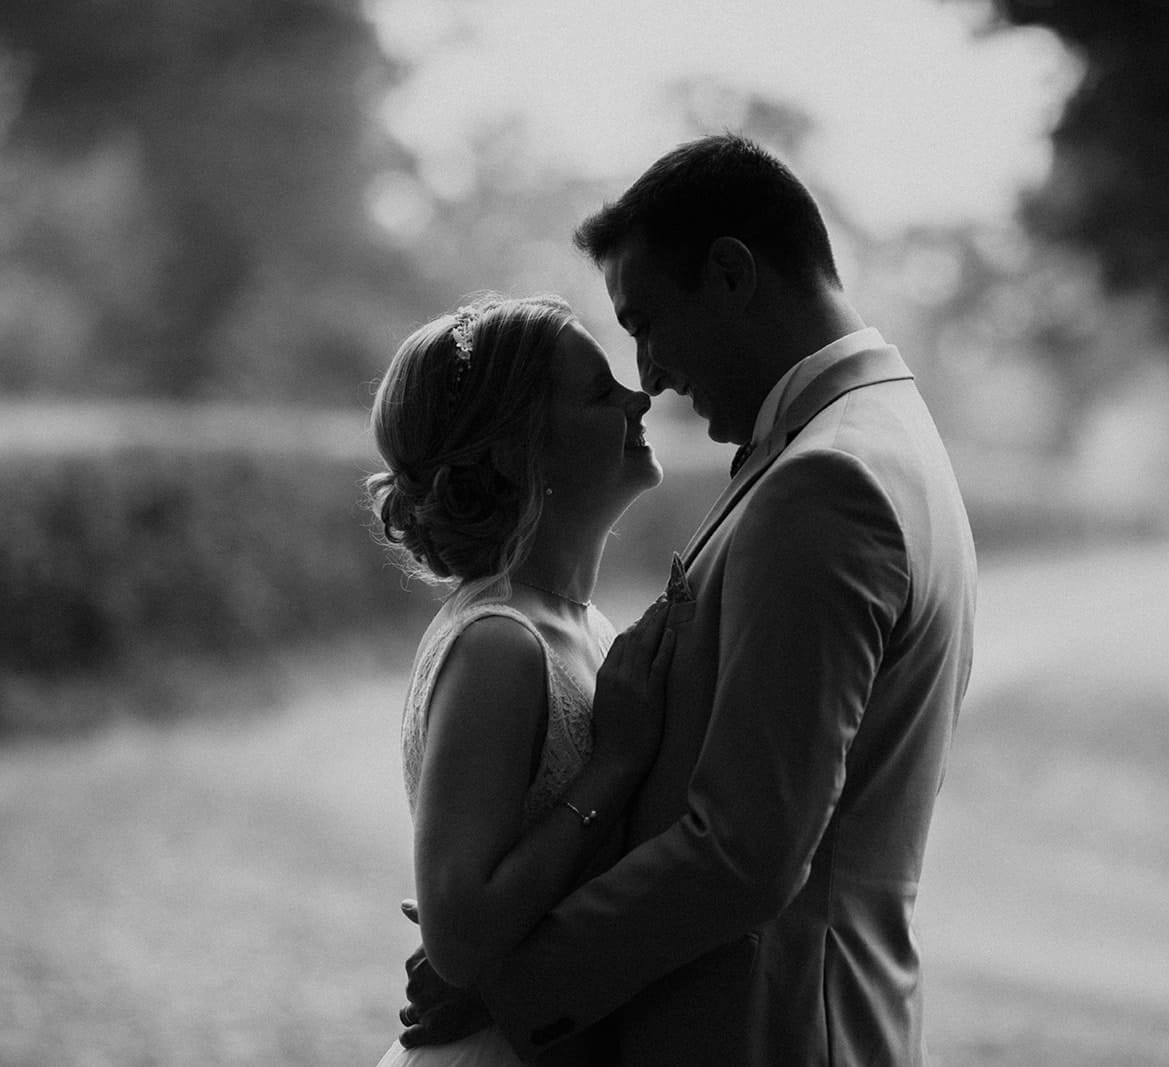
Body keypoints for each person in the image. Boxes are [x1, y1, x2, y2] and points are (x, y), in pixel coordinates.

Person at [398, 135, 978, 1065]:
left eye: (647, 322)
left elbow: (743, 849)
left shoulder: (826, 481)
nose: (650, 375)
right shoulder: (874, 441)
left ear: (733, 272)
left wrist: (512, 979)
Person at [366, 293, 676, 1066]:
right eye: (601, 393)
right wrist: (614, 762)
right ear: (514, 453)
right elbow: (461, 935)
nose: (640, 396)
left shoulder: (584, 625)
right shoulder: (500, 645)